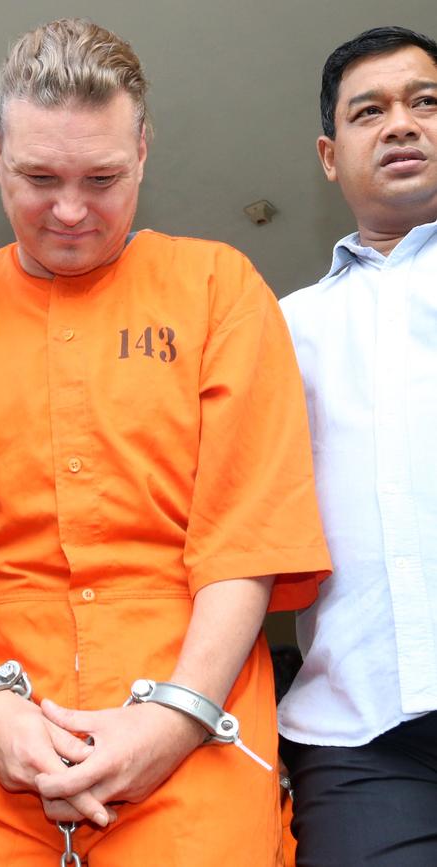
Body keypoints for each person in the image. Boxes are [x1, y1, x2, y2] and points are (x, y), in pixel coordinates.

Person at [0, 18, 330, 867]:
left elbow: (249, 532)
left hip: (198, 728)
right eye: (38, 177)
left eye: (102, 178)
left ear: (145, 153)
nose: (70, 210)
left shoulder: (220, 289)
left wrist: (172, 719)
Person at [278, 26, 437, 867]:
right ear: (330, 155)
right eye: (369, 111)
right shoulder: (279, 327)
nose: (402, 124)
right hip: (357, 736)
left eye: (426, 103)